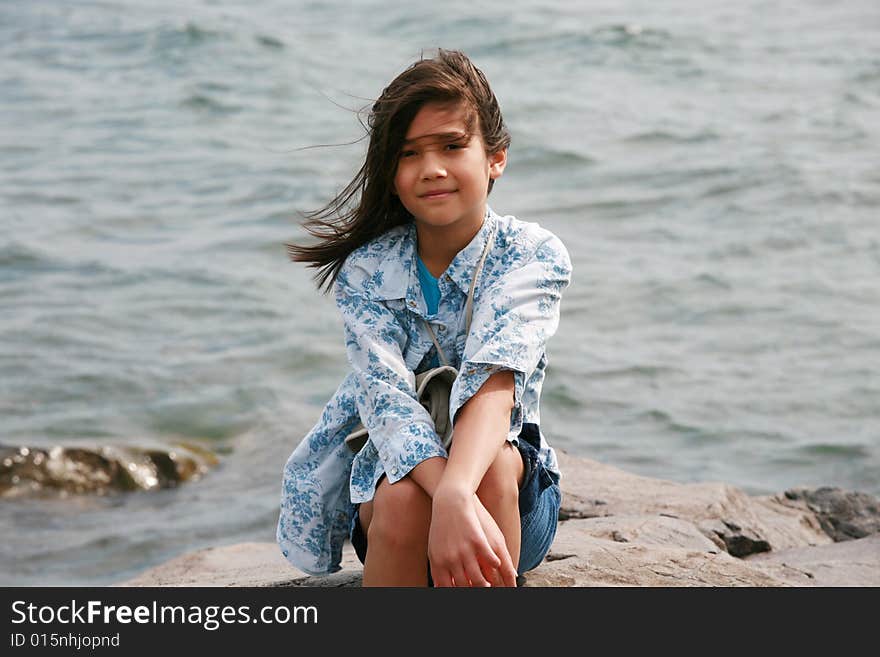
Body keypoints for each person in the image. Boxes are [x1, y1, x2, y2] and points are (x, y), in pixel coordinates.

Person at [277, 49, 572, 587]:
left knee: (496, 466)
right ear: (391, 174)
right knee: (400, 498)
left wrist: (459, 493)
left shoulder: (530, 254)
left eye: (453, 146)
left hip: (506, 494)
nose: (432, 168)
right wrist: (444, 496)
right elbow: (385, 400)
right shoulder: (368, 270)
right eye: (409, 153)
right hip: (400, 492)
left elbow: (495, 381)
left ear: (496, 157)